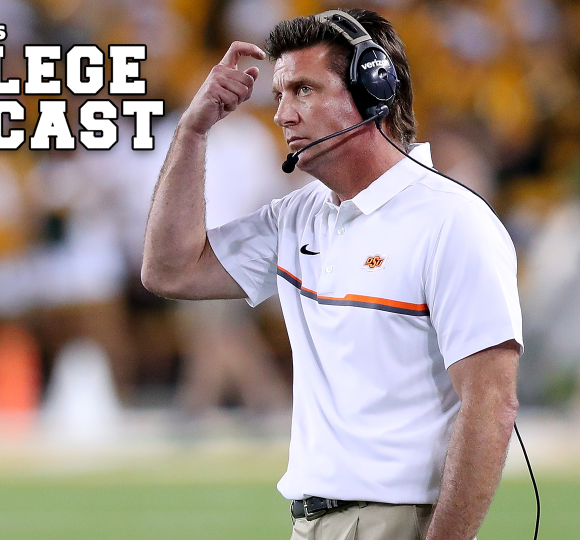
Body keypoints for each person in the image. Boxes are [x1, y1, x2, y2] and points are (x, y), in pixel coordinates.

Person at [142, 9, 523, 540]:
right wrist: (194, 130)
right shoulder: (298, 215)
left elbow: (491, 401)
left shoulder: (453, 223)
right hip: (312, 522)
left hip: (397, 521)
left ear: (374, 91)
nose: (281, 114)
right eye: (279, 94)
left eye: (302, 90)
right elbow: (169, 270)